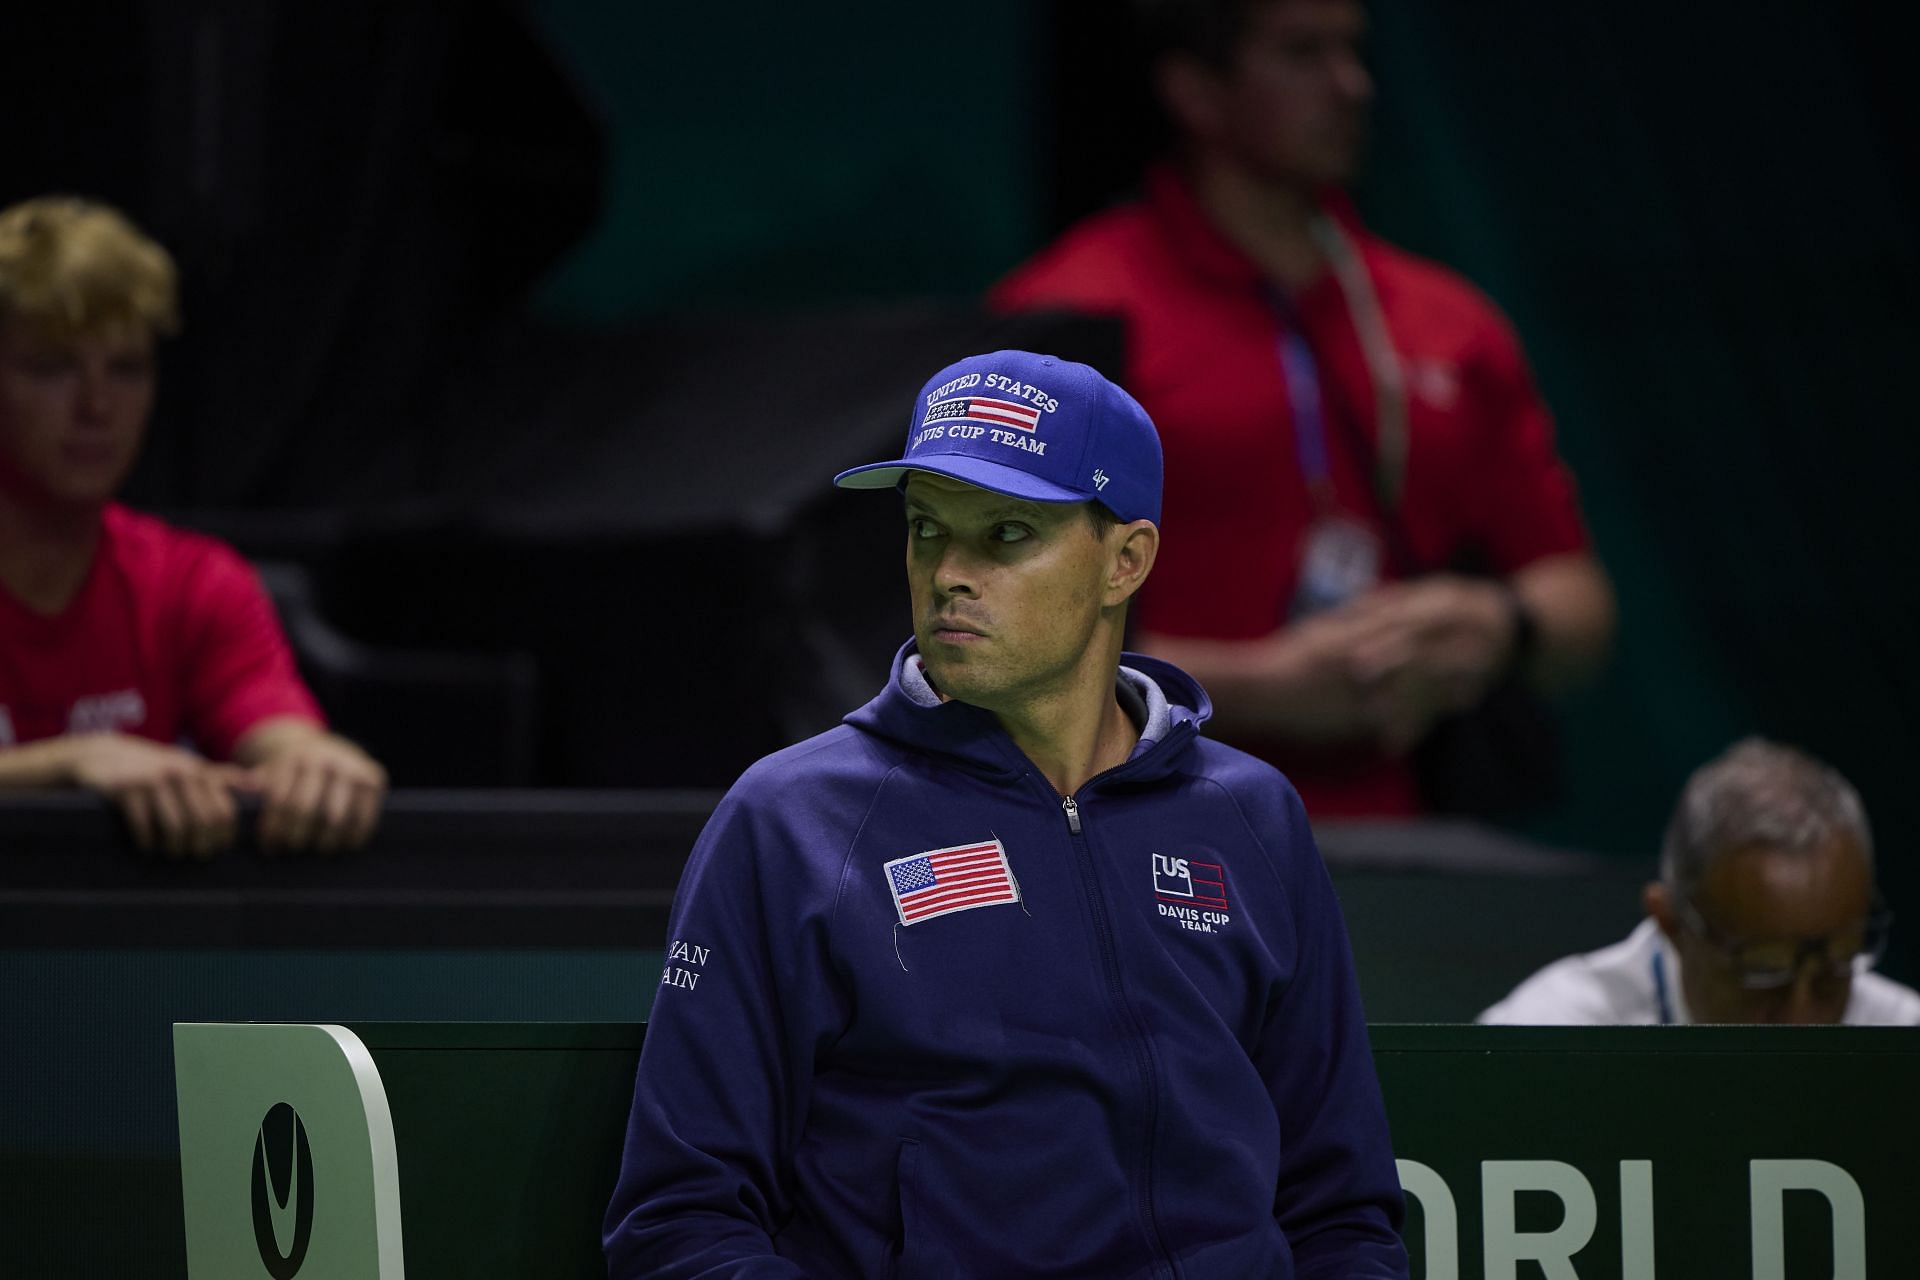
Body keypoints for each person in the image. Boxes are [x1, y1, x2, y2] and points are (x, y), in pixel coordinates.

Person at [604, 350, 1408, 1277]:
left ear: (1126, 562)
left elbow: (1343, 1214)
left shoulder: (1250, 816)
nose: (948, 573)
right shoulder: (791, 820)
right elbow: (681, 1225)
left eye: (1007, 534)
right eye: (925, 529)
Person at [992, 0, 1616, 818]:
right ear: (1196, 93)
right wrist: (1250, 690)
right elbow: (984, 628)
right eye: (1302, 53)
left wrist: (1498, 624)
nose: (1352, 85)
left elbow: (1579, 606)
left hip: (1411, 857)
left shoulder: (1448, 324)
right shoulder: (1067, 323)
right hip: (1127, 833)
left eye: (1353, 51)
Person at [0, 195, 386, 856]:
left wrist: (317, 767)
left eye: (126, 369)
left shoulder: (192, 581)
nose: (97, 406)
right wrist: (67, 764)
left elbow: (280, 731)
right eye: (53, 367)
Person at [1479, 738, 1920, 1026]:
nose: (1803, 1017)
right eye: (1764, 968)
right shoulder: (1546, 1043)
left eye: (1837, 960)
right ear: (1670, 921)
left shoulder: (1901, 1038)